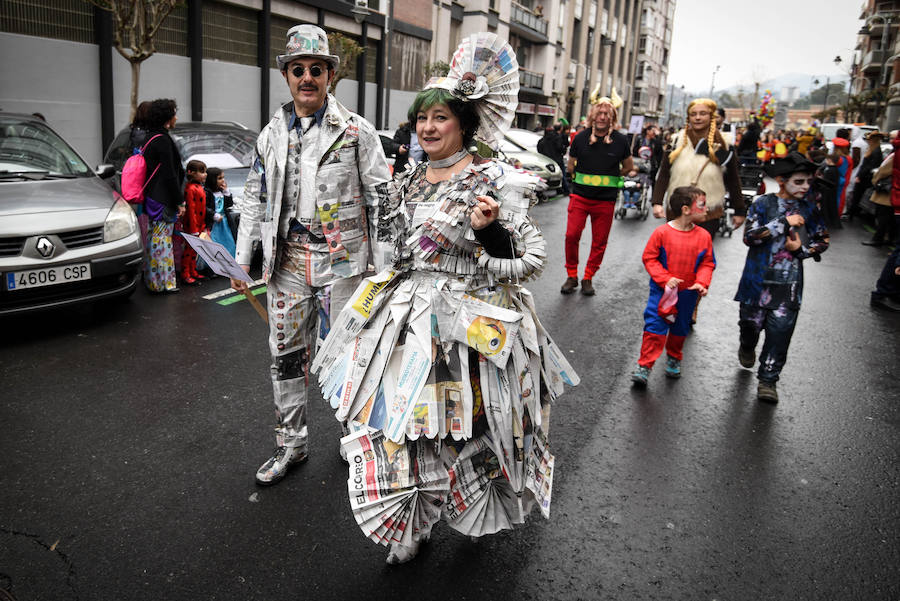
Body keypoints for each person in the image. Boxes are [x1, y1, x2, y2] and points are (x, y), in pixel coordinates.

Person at [311, 32, 578, 565]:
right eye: (422, 120)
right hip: (407, 317)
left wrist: (490, 233)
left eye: (441, 120)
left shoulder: (493, 180)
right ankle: (413, 522)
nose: (428, 129)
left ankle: (464, 502)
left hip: (471, 323)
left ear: (463, 124)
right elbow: (389, 251)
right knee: (401, 420)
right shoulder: (406, 180)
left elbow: (529, 261)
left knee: (469, 425)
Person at [231, 24, 391, 486]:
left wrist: (383, 270)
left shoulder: (357, 132)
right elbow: (254, 200)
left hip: (344, 263)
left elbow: (381, 200)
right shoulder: (270, 135)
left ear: (329, 75)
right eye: (298, 69)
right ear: (286, 75)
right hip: (287, 262)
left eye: (315, 69)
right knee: (285, 355)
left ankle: (354, 440)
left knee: (348, 354)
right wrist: (243, 261)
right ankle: (291, 445)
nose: (307, 77)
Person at [734, 153, 830, 403]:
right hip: (756, 283)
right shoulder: (762, 204)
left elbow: (822, 239)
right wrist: (782, 223)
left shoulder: (809, 208)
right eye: (799, 181)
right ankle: (747, 345)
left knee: (779, 336)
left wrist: (802, 251)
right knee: (749, 326)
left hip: (788, 288)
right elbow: (749, 237)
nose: (805, 187)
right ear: (781, 180)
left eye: (808, 181)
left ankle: (768, 381)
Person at [631, 185, 716, 386]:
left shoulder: (704, 236)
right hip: (661, 293)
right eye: (702, 205)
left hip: (687, 295)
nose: (706, 208)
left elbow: (708, 263)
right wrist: (664, 278)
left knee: (680, 328)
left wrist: (702, 283)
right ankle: (645, 365)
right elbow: (650, 258)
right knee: (654, 327)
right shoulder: (662, 233)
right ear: (686, 209)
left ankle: (674, 357)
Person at [561, 89, 636, 296]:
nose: (603, 117)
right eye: (600, 113)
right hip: (580, 197)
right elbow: (570, 166)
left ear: (612, 117)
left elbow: (628, 167)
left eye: (607, 114)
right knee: (571, 235)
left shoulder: (621, 141)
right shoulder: (580, 138)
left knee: (599, 241)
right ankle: (571, 275)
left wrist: (610, 176)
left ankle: (588, 277)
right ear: (593, 115)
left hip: (606, 201)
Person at [651, 98, 746, 239]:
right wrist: (657, 202)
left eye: (703, 113)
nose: (697, 117)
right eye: (693, 114)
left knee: (700, 256)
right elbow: (664, 174)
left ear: (711, 116)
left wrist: (739, 210)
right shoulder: (676, 141)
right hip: (678, 210)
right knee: (673, 255)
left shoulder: (725, 144)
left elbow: (733, 178)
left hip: (708, 212)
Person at [142, 98, 185, 293]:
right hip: (163, 198)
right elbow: (170, 174)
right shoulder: (163, 140)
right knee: (162, 240)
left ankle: (154, 281)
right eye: (174, 113)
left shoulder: (150, 137)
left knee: (154, 238)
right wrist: (179, 201)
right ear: (167, 118)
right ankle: (165, 283)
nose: (176, 117)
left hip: (152, 196)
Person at [180, 159, 209, 285]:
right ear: (193, 173)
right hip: (192, 226)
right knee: (189, 250)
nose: (205, 174)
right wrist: (193, 229)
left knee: (194, 250)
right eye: (202, 172)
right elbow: (191, 210)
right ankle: (185, 273)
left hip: (199, 225)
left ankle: (193, 270)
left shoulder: (198, 187)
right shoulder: (191, 189)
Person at [847, 130, 884, 221]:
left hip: (865, 178)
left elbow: (869, 166)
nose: (868, 141)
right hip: (864, 176)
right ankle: (852, 213)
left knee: (857, 196)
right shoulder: (873, 150)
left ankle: (852, 214)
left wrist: (860, 176)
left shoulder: (875, 151)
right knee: (857, 196)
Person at [204, 166, 236, 255]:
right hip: (214, 223)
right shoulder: (207, 192)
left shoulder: (222, 191)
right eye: (219, 178)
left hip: (224, 222)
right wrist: (213, 215)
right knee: (215, 242)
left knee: (228, 241)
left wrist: (226, 192)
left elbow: (229, 204)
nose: (223, 180)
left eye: (223, 177)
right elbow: (204, 207)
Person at [537, 126, 568, 195]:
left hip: (546, 161)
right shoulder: (557, 138)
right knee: (561, 175)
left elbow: (539, 150)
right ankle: (565, 190)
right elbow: (560, 148)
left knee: (548, 176)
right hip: (557, 159)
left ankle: (542, 191)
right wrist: (563, 152)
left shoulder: (542, 141)